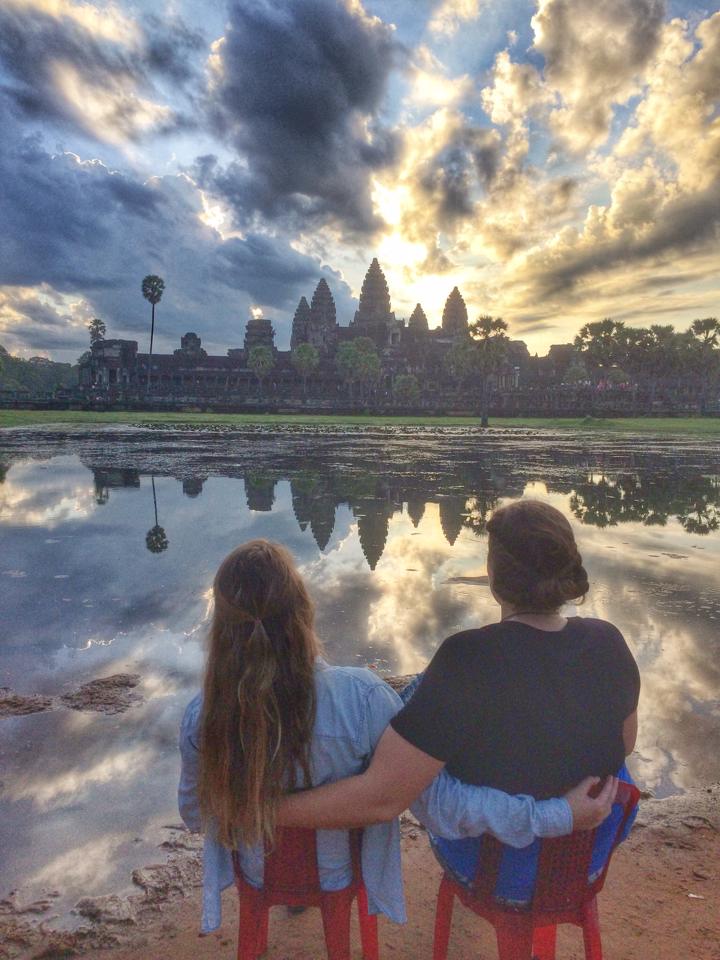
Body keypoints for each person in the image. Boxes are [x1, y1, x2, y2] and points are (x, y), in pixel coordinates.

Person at [178, 538, 612, 933]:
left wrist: (253, 808)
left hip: (256, 871)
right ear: (303, 610)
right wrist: (555, 813)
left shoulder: (201, 717)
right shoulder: (363, 698)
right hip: (342, 871)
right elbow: (433, 802)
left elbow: (196, 814)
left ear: (222, 627)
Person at [279, 500, 640, 894]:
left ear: (494, 574)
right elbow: (624, 745)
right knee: (429, 696)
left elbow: (384, 800)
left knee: (399, 709)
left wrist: (265, 811)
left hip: (496, 871)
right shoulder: (608, 641)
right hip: (583, 863)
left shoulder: (469, 658)